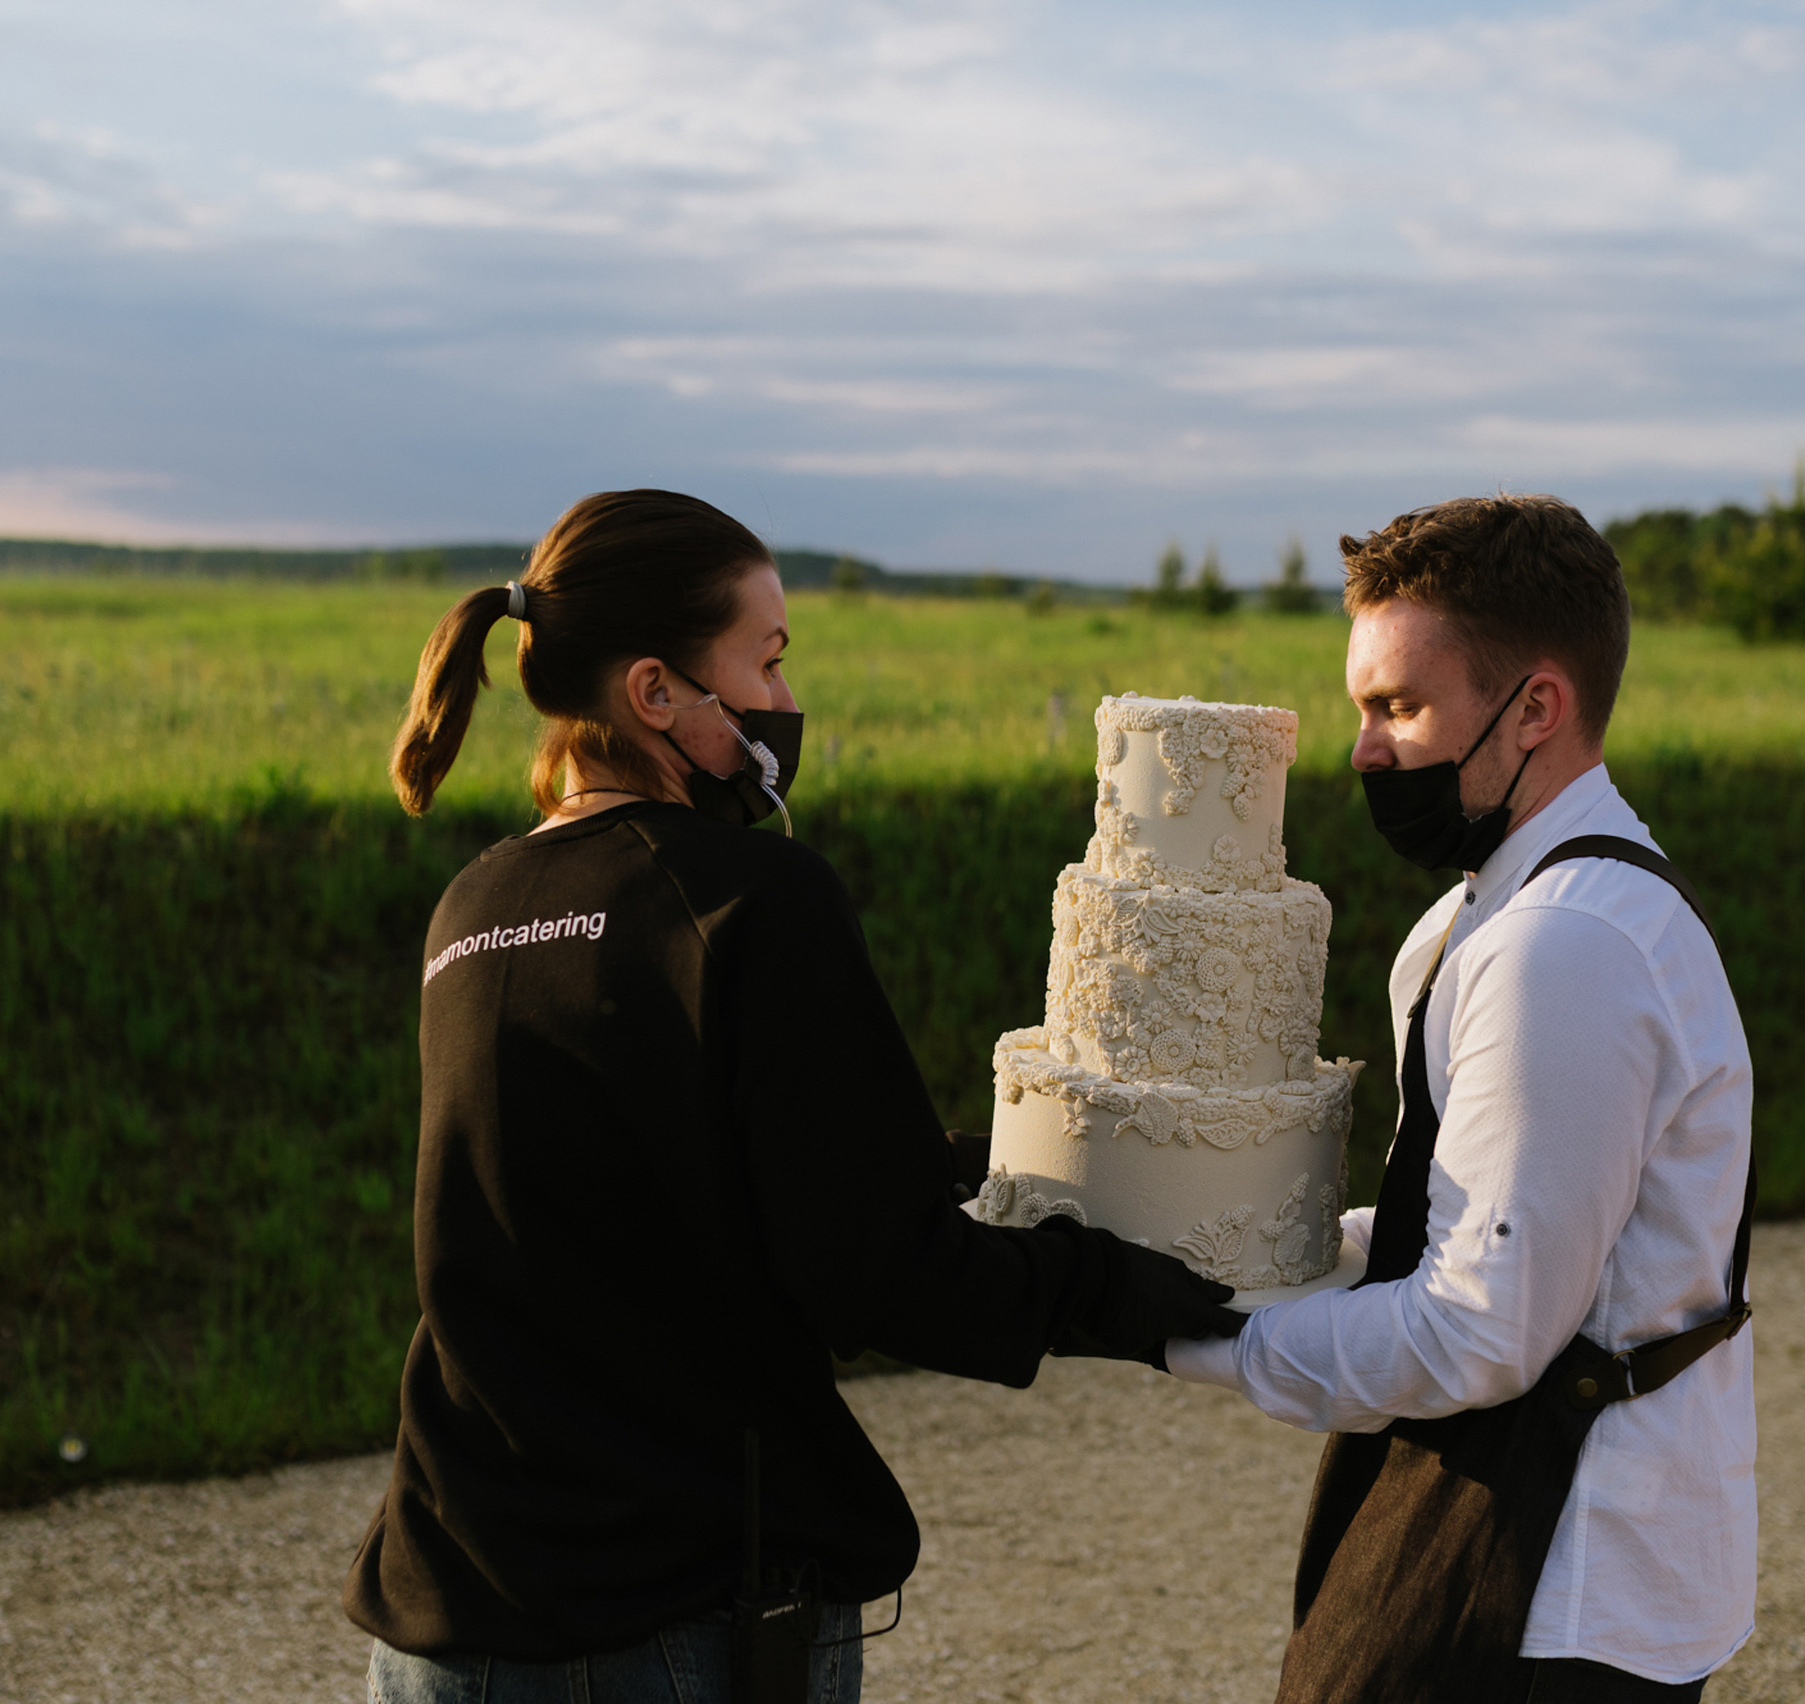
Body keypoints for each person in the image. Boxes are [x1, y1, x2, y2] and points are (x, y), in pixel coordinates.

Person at [345, 488, 1240, 1704]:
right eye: (763, 662)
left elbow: (683, 1177)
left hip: (445, 1608)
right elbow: (876, 1270)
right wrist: (1119, 1287)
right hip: (661, 1624)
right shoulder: (753, 896)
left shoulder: (477, 907)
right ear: (656, 693)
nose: (781, 701)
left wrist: (1000, 1163)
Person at [1165, 496, 1756, 1702]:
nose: (1364, 752)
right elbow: (1444, 1235)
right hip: (1503, 1528)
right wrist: (1193, 1255)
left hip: (1564, 1581)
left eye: (1399, 707)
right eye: (1361, 709)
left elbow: (1474, 1328)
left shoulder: (1565, 947)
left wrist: (1171, 1332)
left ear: (1535, 706)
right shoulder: (1476, 919)